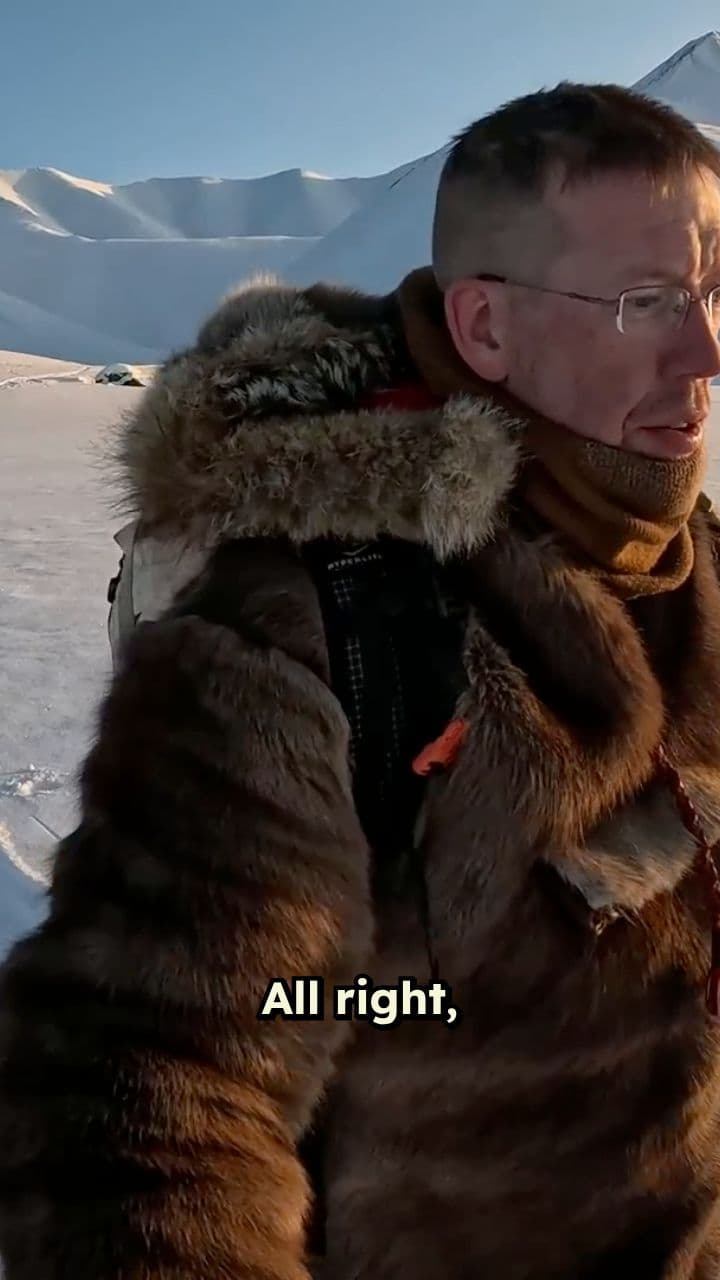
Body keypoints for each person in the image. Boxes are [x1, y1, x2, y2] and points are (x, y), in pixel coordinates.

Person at [2, 81, 720, 1280]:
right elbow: (149, 1088)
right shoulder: (314, 621)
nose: (705, 351)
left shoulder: (696, 563)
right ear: (485, 327)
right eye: (645, 301)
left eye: (711, 292)